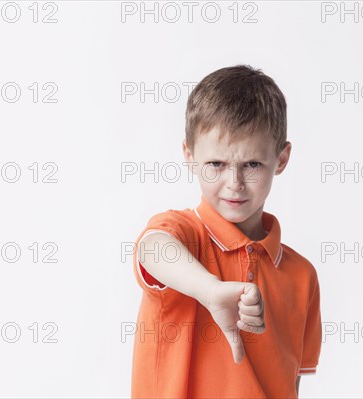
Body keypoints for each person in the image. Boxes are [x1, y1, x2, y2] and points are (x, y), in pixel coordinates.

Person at [131, 65, 322, 398]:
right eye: (216, 164)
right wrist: (209, 289)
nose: (234, 183)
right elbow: (152, 247)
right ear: (189, 156)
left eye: (251, 164)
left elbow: (291, 384)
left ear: (281, 158)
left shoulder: (302, 276)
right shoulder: (183, 235)